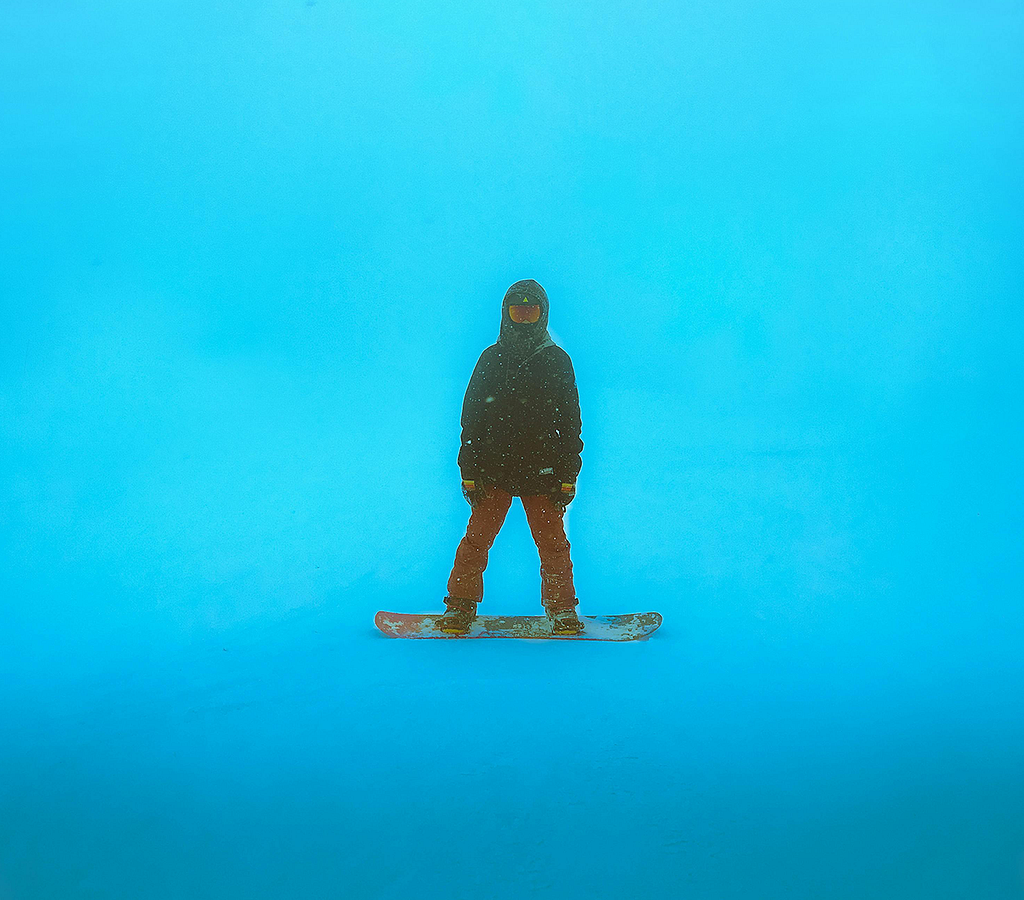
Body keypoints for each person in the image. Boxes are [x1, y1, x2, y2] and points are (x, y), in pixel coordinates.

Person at [441, 279, 584, 635]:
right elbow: (471, 418)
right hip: (494, 470)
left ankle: (562, 610)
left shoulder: (557, 361)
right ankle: (459, 606)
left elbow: (570, 424)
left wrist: (568, 474)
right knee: (476, 540)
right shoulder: (491, 359)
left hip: (544, 472)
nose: (523, 317)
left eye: (530, 311)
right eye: (516, 311)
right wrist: (469, 470)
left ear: (542, 314)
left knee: (553, 544)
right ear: (506, 314)